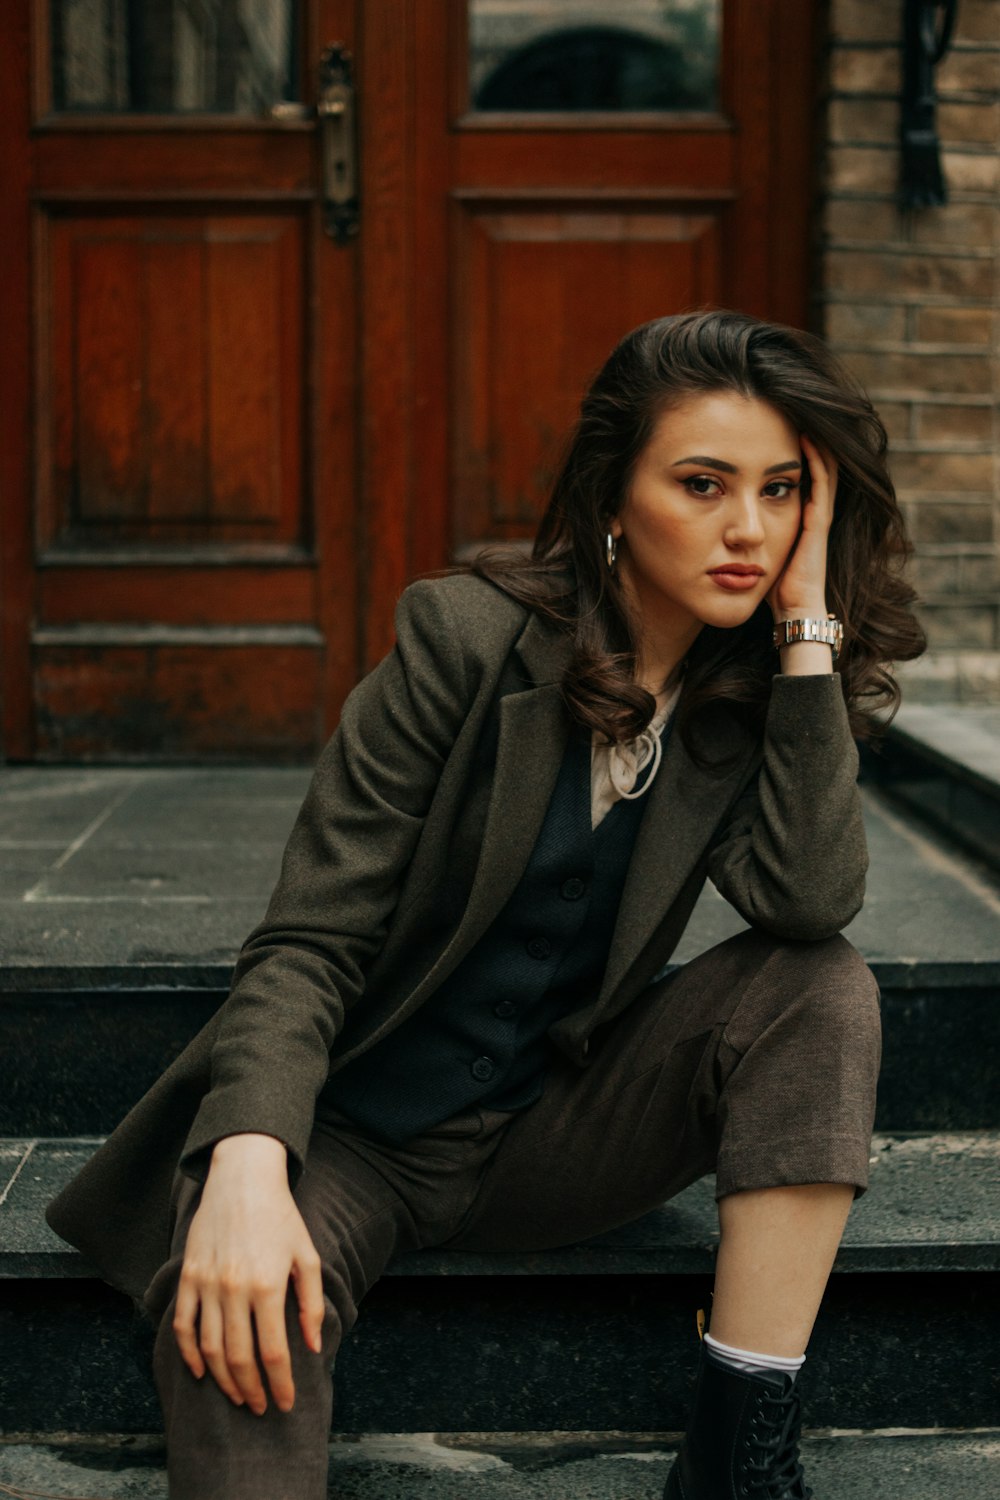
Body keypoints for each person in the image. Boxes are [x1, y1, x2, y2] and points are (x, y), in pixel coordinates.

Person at [47, 309, 926, 1500]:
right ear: (612, 500)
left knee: (819, 987)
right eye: (703, 484)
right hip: (348, 1134)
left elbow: (809, 899)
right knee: (239, 1332)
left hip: (541, 1132)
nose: (747, 530)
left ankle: (737, 1455)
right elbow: (309, 938)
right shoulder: (460, 640)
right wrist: (248, 1171)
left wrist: (806, 633)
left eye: (781, 493)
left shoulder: (745, 694)